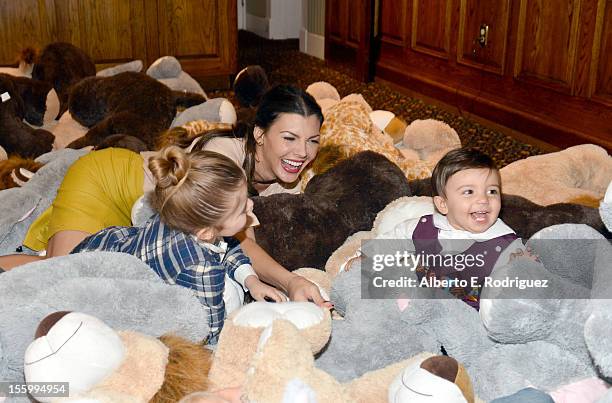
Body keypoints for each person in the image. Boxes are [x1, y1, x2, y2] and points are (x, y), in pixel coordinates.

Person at [0, 85, 329, 306]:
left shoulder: (293, 179)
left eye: (312, 140)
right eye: (289, 138)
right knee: (63, 277)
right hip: (109, 182)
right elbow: (241, 243)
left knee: (72, 274)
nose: (301, 152)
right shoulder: (223, 154)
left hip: (143, 228)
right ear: (259, 133)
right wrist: (290, 282)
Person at [71, 147, 284, 343]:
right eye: (241, 209)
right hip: (100, 283)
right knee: (229, 296)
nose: (251, 204)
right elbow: (210, 332)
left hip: (105, 243)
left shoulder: (179, 214)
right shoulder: (202, 269)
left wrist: (251, 280)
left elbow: (226, 245)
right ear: (206, 232)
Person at [344, 148, 537, 309]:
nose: (483, 199)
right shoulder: (424, 228)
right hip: (421, 305)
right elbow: (392, 241)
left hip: (471, 323)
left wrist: (525, 269)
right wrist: (366, 256)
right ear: (443, 204)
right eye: (469, 192)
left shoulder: (505, 244)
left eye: (492, 191)